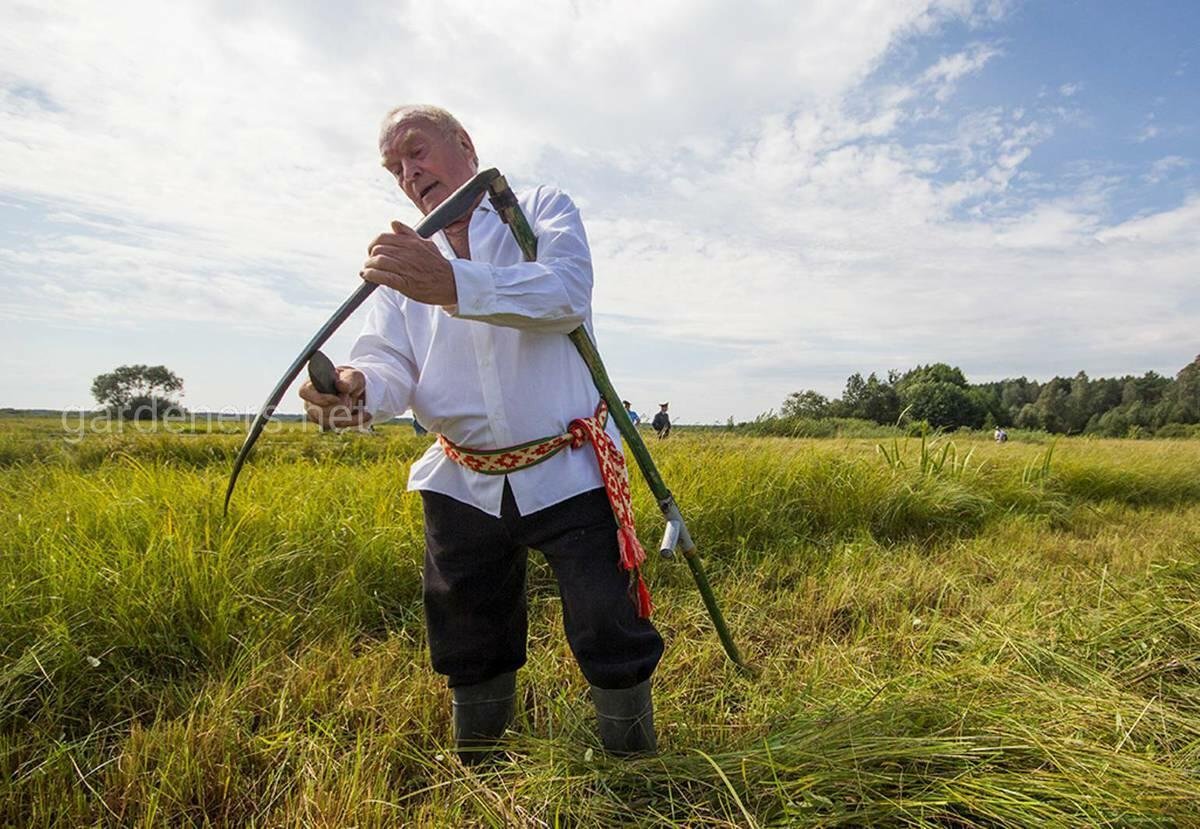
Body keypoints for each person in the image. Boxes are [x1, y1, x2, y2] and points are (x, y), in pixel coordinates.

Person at [299, 105, 663, 763]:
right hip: (462, 480)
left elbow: (565, 297)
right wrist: (354, 389)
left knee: (607, 616)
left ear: (462, 143)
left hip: (567, 464)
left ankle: (633, 764)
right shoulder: (407, 261)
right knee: (467, 627)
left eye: (418, 151)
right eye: (395, 167)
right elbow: (388, 362)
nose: (409, 173)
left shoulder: (538, 209)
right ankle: (483, 768)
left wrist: (451, 283)